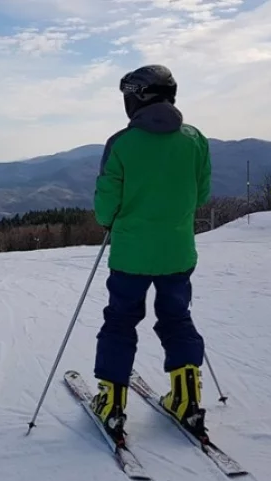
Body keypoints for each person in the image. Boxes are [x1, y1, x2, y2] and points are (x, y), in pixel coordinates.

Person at [91, 64, 211, 443]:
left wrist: (118, 219)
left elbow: (105, 209)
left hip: (131, 255)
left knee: (121, 321)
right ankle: (186, 398)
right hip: (178, 251)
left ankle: (111, 404)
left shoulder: (122, 143)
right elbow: (202, 195)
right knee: (177, 317)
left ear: (137, 98)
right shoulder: (195, 140)